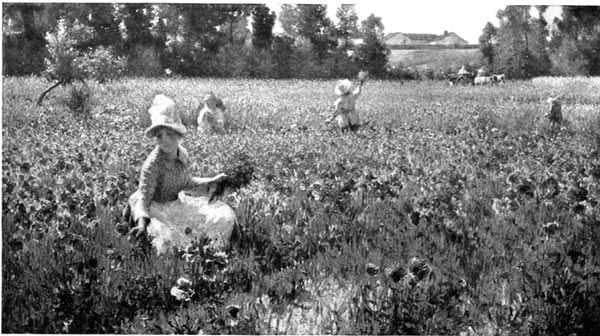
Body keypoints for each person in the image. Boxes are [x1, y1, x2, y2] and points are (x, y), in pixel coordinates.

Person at [125, 94, 236, 253]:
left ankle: (211, 253)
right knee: (169, 241)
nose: (164, 140)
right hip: (154, 208)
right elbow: (144, 200)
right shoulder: (152, 165)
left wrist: (212, 180)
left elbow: (187, 183)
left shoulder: (182, 154)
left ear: (178, 134)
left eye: (169, 134)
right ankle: (199, 254)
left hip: (177, 205)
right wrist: (142, 225)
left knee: (223, 216)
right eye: (159, 135)